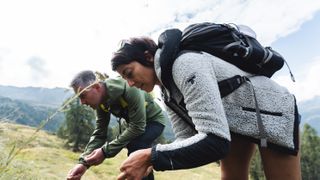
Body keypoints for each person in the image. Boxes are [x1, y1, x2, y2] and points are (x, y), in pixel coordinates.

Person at [110, 36, 301, 180]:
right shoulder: (166, 92)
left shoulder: (185, 64)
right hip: (232, 123)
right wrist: (153, 159)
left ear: (148, 57)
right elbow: (187, 139)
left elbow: (215, 142)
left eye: (129, 73)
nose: (131, 83)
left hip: (272, 113)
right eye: (125, 79)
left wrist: (151, 156)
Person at [66, 70, 166, 180]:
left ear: (96, 87)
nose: (82, 102)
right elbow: (100, 134)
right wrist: (83, 163)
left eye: (83, 95)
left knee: (136, 146)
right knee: (137, 149)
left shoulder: (129, 88)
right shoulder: (101, 103)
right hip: (136, 125)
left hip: (155, 120)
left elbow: (137, 126)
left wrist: (105, 152)